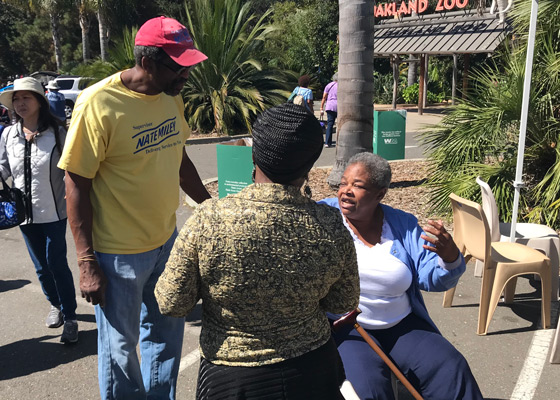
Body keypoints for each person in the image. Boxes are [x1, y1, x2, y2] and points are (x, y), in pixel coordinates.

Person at [155, 103, 360, 400]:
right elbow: (345, 299)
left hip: (233, 377)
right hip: (313, 369)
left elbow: (171, 301)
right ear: (311, 162)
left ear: (253, 154)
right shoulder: (329, 223)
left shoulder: (210, 219)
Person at [57, 16, 212, 400]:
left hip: (166, 241)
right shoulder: (98, 103)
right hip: (116, 254)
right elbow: (75, 183)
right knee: (120, 350)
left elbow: (180, 157)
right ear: (147, 61)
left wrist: (210, 209)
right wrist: (86, 260)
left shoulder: (170, 95)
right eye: (178, 66)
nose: (186, 76)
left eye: (189, 65)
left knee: (166, 336)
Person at [320, 152, 483, 400]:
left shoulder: (402, 224)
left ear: (380, 194)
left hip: (403, 326)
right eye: (343, 183)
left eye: (358, 185)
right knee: (368, 389)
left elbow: (431, 277)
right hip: (349, 330)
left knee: (451, 367)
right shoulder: (323, 216)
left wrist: (449, 258)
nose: (346, 191)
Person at [0, 77, 78, 343]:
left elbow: (71, 168)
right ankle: (54, 304)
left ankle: (70, 317)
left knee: (56, 263)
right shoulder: (9, 134)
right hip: (23, 215)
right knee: (41, 267)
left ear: (40, 102)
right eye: (16, 100)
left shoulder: (57, 132)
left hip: (55, 211)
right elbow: (4, 168)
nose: (20, 104)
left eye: (26, 98)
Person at [320, 73, 338, 148]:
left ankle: (327, 142)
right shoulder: (343, 85)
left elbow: (324, 97)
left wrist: (321, 108)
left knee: (330, 124)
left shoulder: (329, 85)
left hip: (330, 106)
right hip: (339, 106)